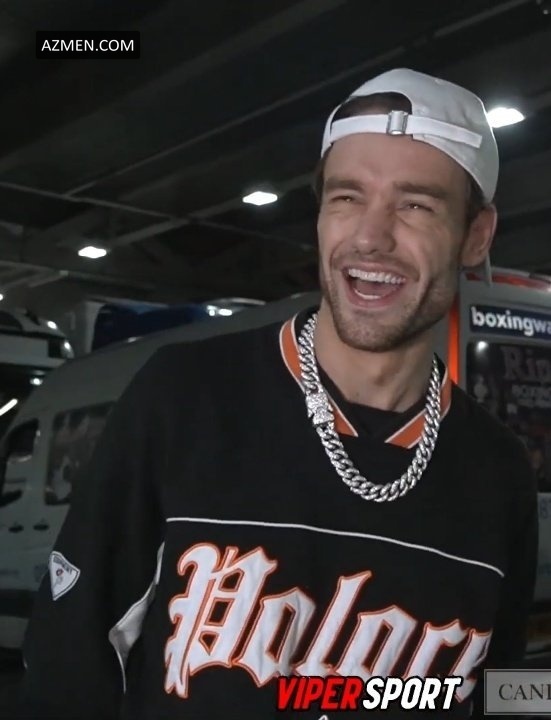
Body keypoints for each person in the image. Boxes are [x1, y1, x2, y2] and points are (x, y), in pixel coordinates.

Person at [18, 68, 537, 719]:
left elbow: (508, 692)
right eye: (346, 198)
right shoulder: (186, 398)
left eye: (415, 205)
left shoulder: (498, 471)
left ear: (476, 235)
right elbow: (68, 667)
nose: (369, 237)